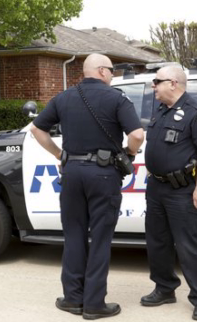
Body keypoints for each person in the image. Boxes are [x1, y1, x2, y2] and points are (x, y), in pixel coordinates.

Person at [30, 53, 144, 320]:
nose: (113, 75)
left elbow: (37, 130)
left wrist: (59, 155)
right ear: (102, 71)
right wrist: (129, 153)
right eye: (112, 70)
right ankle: (94, 304)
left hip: (71, 173)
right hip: (103, 175)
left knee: (74, 235)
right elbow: (137, 135)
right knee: (101, 238)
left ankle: (72, 299)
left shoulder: (63, 97)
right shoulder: (116, 98)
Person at [141, 65, 197, 321]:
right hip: (156, 188)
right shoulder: (161, 111)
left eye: (157, 81)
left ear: (173, 83)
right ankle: (164, 288)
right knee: (157, 242)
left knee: (189, 245)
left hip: (183, 190)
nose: (153, 86)